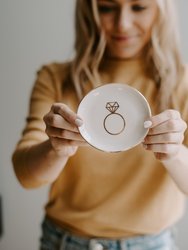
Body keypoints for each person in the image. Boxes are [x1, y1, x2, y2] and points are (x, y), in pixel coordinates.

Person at [12, 0, 188, 249]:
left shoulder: (183, 84)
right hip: (63, 241)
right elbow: (25, 176)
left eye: (139, 7)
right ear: (88, 12)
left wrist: (173, 152)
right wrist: (55, 149)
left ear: (162, 12)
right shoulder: (55, 78)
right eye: (106, 7)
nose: (122, 24)